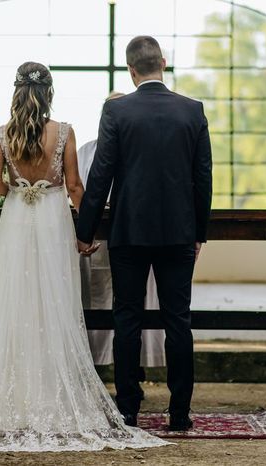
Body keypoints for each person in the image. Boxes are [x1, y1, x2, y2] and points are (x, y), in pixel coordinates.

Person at [0, 62, 169, 452]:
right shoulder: (63, 132)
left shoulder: (1, 134)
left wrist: (20, 188)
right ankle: (56, 395)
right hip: (52, 220)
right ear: (49, 93)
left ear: (16, 92)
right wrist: (83, 233)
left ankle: (13, 401)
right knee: (57, 304)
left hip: (17, 221)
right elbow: (77, 186)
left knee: (17, 303)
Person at [76, 36, 213, 431]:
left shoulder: (117, 111)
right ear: (163, 63)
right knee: (178, 321)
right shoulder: (193, 111)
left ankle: (128, 410)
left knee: (127, 319)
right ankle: (180, 413)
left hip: (129, 232)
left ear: (130, 70)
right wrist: (198, 233)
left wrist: (85, 231)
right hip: (178, 233)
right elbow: (202, 177)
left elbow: (101, 175)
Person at [78, 92, 166, 372]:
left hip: (133, 232)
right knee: (98, 296)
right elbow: (77, 188)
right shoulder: (85, 151)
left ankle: (133, 366)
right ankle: (95, 363)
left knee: (133, 301)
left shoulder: (141, 148)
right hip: (97, 236)